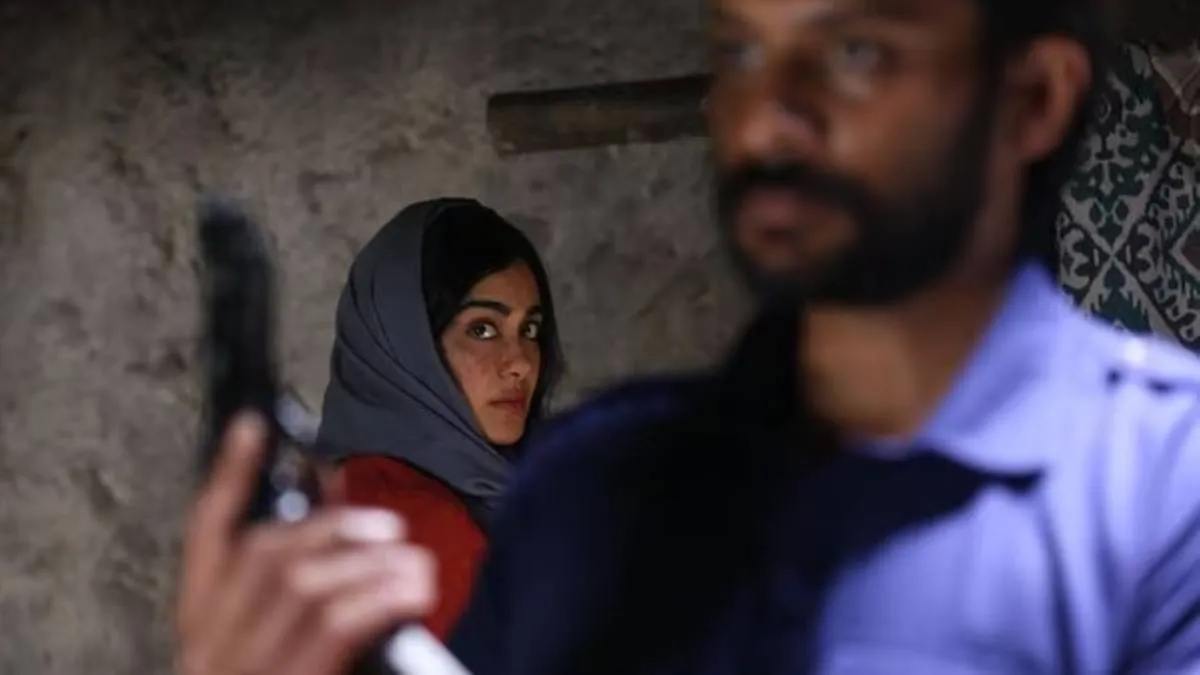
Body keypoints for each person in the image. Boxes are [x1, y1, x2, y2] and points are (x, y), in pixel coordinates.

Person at [445, 0, 1200, 673]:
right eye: (741, 50)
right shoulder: (587, 481)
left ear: (1034, 99)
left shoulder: (1163, 487)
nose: (764, 120)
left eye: (855, 53)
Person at [314, 197, 563, 639]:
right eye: (482, 330)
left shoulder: (345, 494)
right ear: (408, 348)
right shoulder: (409, 526)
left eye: (529, 330)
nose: (521, 363)